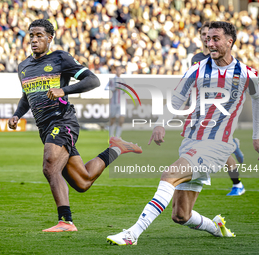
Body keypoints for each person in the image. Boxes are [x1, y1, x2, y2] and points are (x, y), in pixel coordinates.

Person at [107, 21, 259, 245]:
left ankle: (132, 234)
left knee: (169, 175)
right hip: (191, 142)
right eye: (208, 39)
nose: (210, 43)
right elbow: (177, 97)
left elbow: (257, 99)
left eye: (215, 39)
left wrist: (256, 134)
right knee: (181, 215)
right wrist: (161, 123)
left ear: (230, 41)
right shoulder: (197, 68)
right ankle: (215, 227)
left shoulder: (246, 73)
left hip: (217, 144)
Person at [7, 19, 142, 232]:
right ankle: (117, 148)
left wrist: (65, 90)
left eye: (39, 35)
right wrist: (17, 114)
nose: (34, 40)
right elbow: (27, 95)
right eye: (31, 35)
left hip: (62, 121)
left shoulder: (61, 58)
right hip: (46, 128)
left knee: (50, 165)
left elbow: (93, 80)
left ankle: (66, 222)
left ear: (50, 38)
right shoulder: (23, 67)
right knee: (83, 181)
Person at [191, 22, 246, 196]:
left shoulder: (224, 59)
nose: (207, 39)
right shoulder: (197, 59)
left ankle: (236, 183)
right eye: (204, 35)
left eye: (211, 36)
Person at [106, 66, 126, 138]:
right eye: (117, 70)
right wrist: (113, 88)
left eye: (120, 70)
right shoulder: (112, 80)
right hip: (114, 102)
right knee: (112, 118)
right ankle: (111, 135)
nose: (119, 71)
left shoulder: (123, 81)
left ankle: (118, 136)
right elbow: (106, 88)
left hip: (122, 103)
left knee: (121, 119)